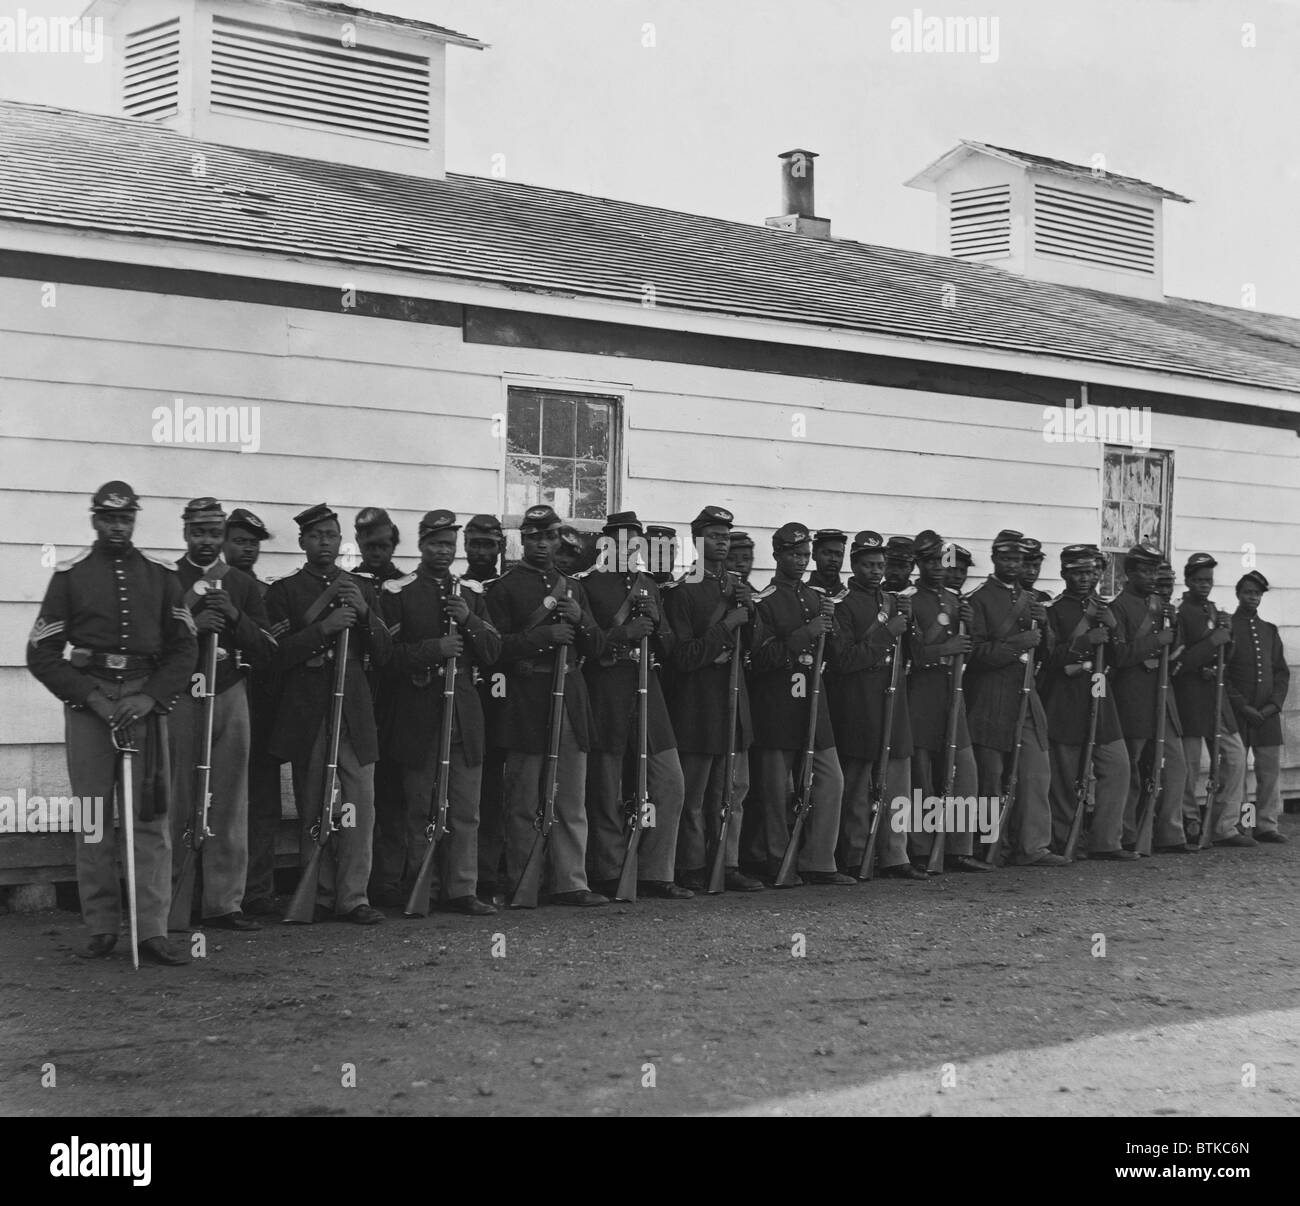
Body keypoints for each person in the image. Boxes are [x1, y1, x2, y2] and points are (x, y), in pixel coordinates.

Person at [27, 481, 197, 964]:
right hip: (91, 706)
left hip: (143, 704)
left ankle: (152, 931)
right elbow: (40, 652)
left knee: (150, 818)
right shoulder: (70, 576)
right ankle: (101, 926)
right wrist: (93, 699)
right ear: (94, 519)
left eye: (125, 519)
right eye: (108, 518)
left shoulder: (161, 576)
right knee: (93, 818)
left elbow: (184, 647)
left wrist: (150, 696)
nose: (117, 526)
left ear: (135, 520)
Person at [264, 504, 392, 923]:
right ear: (302, 542)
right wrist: (324, 628)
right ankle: (316, 892)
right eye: (316, 535)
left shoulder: (361, 587)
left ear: (342, 541)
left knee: (360, 805)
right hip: (309, 709)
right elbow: (276, 656)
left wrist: (365, 612)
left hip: (353, 708)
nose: (325, 543)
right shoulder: (283, 592)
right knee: (315, 805)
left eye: (332, 535)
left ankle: (353, 896)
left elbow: (386, 653)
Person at [485, 504, 609, 906]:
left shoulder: (573, 588)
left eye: (549, 537)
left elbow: (598, 647)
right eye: (534, 537)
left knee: (570, 798)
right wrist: (544, 637)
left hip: (569, 698)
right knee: (524, 799)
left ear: (559, 540)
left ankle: (572, 881)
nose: (542, 544)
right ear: (522, 540)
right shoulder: (504, 589)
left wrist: (581, 620)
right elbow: (494, 648)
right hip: (526, 699)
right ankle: (526, 881)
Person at [381, 510, 502, 914]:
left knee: (466, 808)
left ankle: (462, 889)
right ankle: (423, 888)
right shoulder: (398, 592)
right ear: (421, 545)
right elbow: (386, 658)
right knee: (421, 809)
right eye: (435, 544)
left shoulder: (471, 593)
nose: (443, 552)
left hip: (463, 712)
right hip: (419, 712)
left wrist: (467, 619)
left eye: (449, 545)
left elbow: (492, 650)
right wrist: (434, 650)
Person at [169, 498, 275, 931]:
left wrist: (233, 614)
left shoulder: (242, 584)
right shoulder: (168, 580)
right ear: (185, 533)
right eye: (199, 532)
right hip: (181, 696)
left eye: (214, 533)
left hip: (230, 692)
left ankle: (224, 902)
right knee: (181, 799)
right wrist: (195, 622)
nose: (207, 541)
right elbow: (157, 645)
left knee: (230, 802)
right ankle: (177, 898)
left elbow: (268, 649)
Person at [579, 512, 690, 899]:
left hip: (649, 686)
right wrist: (623, 633)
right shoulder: (587, 584)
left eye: (633, 540)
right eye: (619, 539)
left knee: (668, 781)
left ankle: (656, 871)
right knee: (607, 785)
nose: (627, 546)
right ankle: (610, 870)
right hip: (607, 688)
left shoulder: (649, 585)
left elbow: (671, 648)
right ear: (605, 543)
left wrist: (657, 624)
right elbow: (584, 645)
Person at [746, 523, 853, 886]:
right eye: (794, 554)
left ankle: (819, 860)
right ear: (776, 554)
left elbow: (836, 655)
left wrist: (830, 626)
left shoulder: (815, 597)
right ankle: (778, 860)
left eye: (805, 555)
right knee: (778, 791)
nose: (801, 561)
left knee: (831, 781)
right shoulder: (766, 599)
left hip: (813, 702)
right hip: (777, 706)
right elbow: (760, 659)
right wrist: (804, 634)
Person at [664, 506, 764, 892]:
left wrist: (749, 612)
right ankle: (691, 866)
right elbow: (683, 657)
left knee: (733, 794)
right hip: (698, 708)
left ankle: (729, 862)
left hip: (734, 707)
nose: (722, 542)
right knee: (694, 797)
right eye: (715, 536)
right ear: (698, 540)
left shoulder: (739, 588)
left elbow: (756, 647)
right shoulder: (684, 591)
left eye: (726, 536)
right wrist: (727, 625)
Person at [825, 531, 925, 880]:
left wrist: (909, 626)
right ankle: (855, 855)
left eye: (880, 565)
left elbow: (917, 655)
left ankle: (895, 855)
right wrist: (887, 632)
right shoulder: (842, 603)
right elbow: (844, 660)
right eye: (868, 564)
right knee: (857, 787)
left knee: (897, 784)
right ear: (854, 565)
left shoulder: (894, 601)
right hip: (859, 704)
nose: (875, 571)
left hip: (893, 703)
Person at [964, 531, 1065, 866]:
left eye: (1019, 560)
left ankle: (1033, 846)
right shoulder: (978, 599)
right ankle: (991, 847)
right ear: (994, 559)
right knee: (991, 777)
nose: (1013, 565)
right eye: (1006, 558)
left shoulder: (1033, 598)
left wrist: (1045, 627)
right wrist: (1018, 643)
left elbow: (1047, 655)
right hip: (991, 696)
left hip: (1026, 692)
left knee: (1036, 770)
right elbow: (975, 654)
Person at [1038, 545, 1135, 861]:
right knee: (1066, 778)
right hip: (1066, 702)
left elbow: (1122, 658)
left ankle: (1107, 841)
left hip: (1101, 697)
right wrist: (1084, 641)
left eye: (1091, 572)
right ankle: (1066, 840)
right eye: (1077, 572)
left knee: (1117, 766)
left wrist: (1115, 627)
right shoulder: (1053, 610)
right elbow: (1049, 659)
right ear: (1064, 574)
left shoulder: (1107, 608)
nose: (1085, 578)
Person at [905, 530, 990, 871]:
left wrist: (970, 628)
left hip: (952, 690)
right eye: (930, 561)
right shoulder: (909, 599)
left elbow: (972, 650)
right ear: (919, 564)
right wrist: (944, 649)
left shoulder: (957, 602)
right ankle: (923, 849)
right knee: (922, 774)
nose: (939, 567)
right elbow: (910, 655)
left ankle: (959, 847)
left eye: (943, 560)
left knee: (964, 772)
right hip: (921, 692)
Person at [1108, 544, 1189, 854]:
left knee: (1176, 765)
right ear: (1129, 573)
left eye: (1155, 570)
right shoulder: (1118, 607)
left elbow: (1176, 649)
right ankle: (1127, 835)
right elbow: (1120, 655)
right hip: (1134, 698)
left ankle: (1170, 832)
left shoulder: (1160, 604)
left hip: (1163, 699)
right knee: (1131, 770)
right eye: (1145, 570)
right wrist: (1158, 640)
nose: (1152, 576)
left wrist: (1174, 625)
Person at [223, 507, 285, 916]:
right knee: (223, 800)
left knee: (262, 804)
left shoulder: (267, 595)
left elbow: (275, 651)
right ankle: (216, 892)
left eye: (252, 542)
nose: (246, 549)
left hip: (260, 708)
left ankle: (258, 891)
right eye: (239, 541)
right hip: (220, 706)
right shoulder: (210, 587)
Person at [1173, 553, 1253, 848]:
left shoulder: (1213, 610)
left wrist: (1226, 637)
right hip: (1191, 700)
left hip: (1216, 699)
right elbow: (1178, 663)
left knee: (1235, 758)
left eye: (1208, 580)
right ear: (1189, 580)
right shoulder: (1180, 612)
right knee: (1189, 767)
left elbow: (1226, 657)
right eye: (1198, 580)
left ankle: (1225, 824)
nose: (1204, 585)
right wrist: (1213, 642)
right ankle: (1191, 822)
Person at [352, 507, 407, 906]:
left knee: (392, 794)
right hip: (357, 698)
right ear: (358, 544)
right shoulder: (347, 583)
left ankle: (387, 880)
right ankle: (351, 880)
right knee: (356, 795)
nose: (377, 551)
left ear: (394, 543)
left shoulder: (407, 585)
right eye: (369, 544)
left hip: (396, 698)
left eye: (384, 544)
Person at [462, 515, 508, 902]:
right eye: (474, 543)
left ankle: (491, 872)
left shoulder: (505, 588)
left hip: (503, 701)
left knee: (495, 792)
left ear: (500, 548)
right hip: (464, 698)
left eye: (488, 545)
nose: (480, 551)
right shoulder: (457, 589)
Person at [1226, 570, 1289, 843]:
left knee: (1268, 772)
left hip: (1267, 716)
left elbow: (1281, 673)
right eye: (1247, 592)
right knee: (1240, 774)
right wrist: (1242, 706)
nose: (1252, 597)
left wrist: (1273, 705)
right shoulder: (1228, 627)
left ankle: (1266, 825)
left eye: (1257, 593)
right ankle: (1245, 823)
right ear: (1238, 594)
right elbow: (1224, 676)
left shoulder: (1269, 631)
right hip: (1241, 715)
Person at [807, 529, 849, 600]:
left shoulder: (850, 597)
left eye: (838, 554)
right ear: (814, 554)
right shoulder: (801, 595)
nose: (833, 559)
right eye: (827, 553)